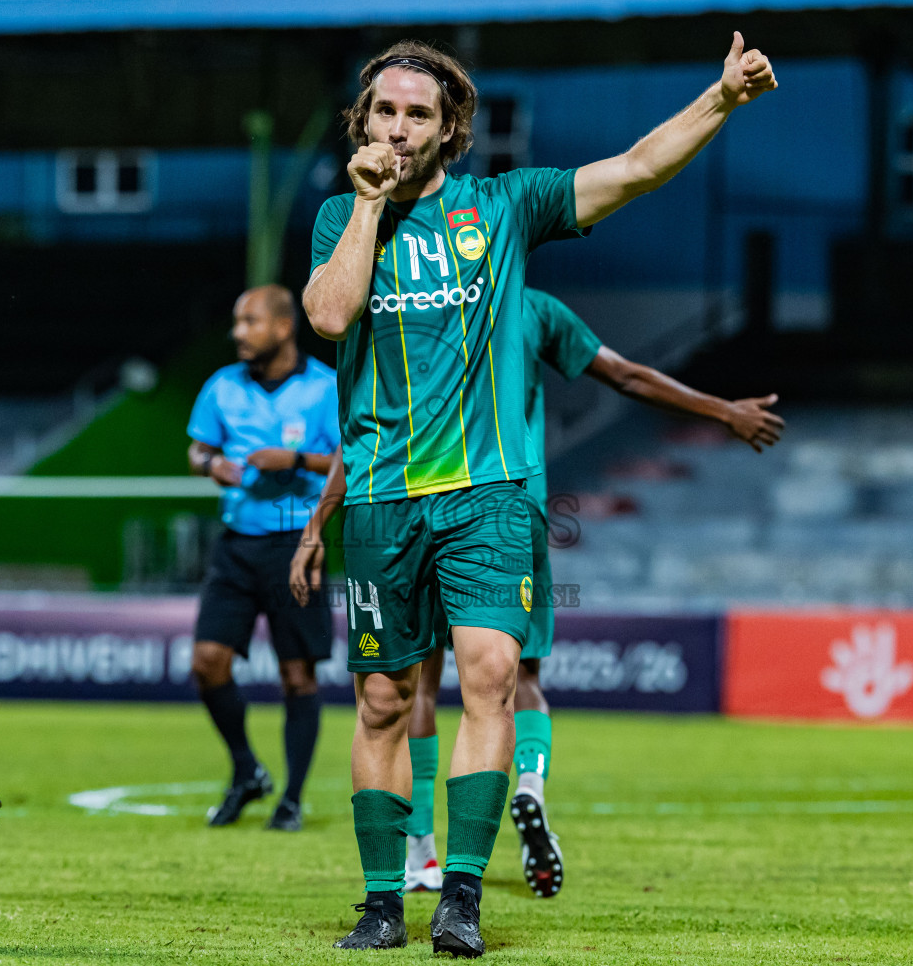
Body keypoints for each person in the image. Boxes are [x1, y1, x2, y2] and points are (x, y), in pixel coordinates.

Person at [304, 35, 776, 955]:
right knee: (383, 700)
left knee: (488, 674)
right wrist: (366, 201)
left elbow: (636, 168)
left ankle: (463, 897)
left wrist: (720, 99)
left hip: (488, 492)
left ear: (453, 136)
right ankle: (379, 900)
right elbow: (327, 316)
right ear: (363, 123)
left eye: (418, 116)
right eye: (385, 112)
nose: (399, 129)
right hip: (376, 494)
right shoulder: (338, 219)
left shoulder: (505, 208)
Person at [292, 287, 784, 898]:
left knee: (412, 683)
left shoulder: (407, 306)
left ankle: (420, 854)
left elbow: (363, 427)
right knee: (515, 679)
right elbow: (624, 374)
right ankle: (529, 784)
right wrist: (722, 411)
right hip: (508, 512)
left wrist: (316, 527)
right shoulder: (534, 310)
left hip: (408, 509)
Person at [187, 285, 340, 831]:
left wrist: (294, 459)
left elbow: (353, 460)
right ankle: (247, 768)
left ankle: (292, 798)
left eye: (249, 321)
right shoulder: (222, 387)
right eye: (236, 321)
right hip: (235, 543)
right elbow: (197, 448)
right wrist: (210, 467)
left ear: (282, 326)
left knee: (297, 675)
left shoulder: (326, 387)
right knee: (207, 663)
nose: (238, 332)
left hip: (294, 542)